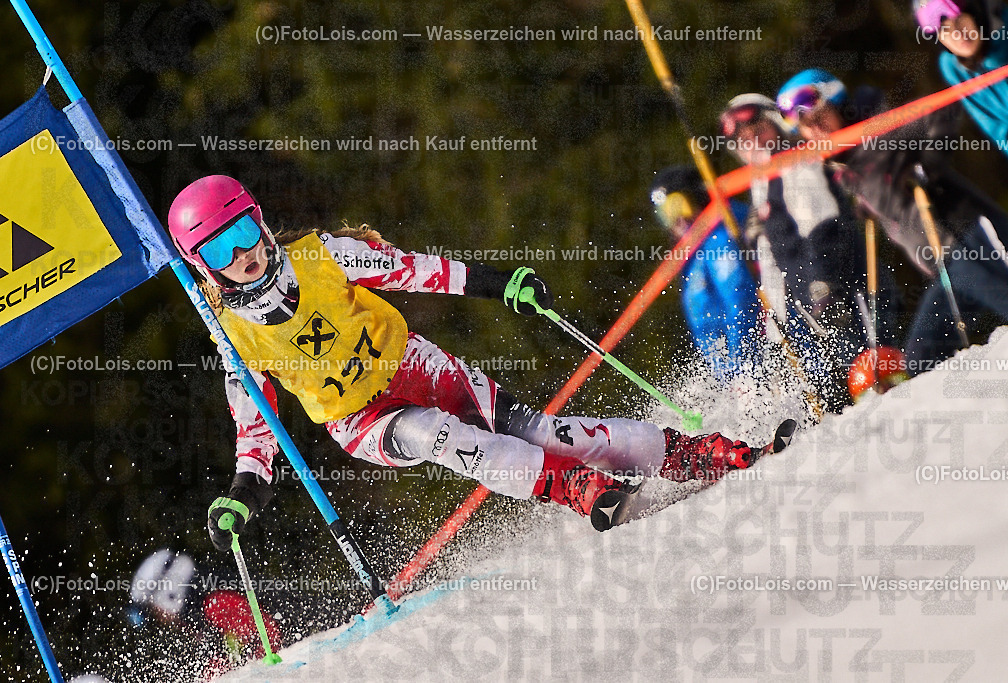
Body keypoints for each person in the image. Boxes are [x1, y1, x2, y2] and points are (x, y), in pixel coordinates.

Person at [166, 176, 760, 538]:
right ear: (203, 264)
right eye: (220, 248)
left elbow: (417, 272)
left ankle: (688, 453)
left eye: (243, 232)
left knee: (541, 429)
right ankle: (571, 488)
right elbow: (256, 430)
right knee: (438, 438)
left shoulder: (323, 256)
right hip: (361, 420)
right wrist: (245, 492)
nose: (242, 254)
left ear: (260, 221)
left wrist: (500, 283)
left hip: (414, 364)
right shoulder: (234, 340)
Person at [777, 68, 1008, 374]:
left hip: (968, 236)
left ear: (838, 101)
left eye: (820, 118)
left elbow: (941, 109)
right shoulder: (847, 165)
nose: (816, 131)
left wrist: (927, 168)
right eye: (806, 127)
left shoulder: (878, 129)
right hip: (945, 267)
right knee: (920, 360)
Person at [719, 94, 870, 409]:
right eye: (743, 140)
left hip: (836, 295)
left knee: (864, 382)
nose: (753, 143)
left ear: (776, 125)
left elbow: (820, 225)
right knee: (828, 400)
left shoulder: (795, 161)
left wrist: (823, 287)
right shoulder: (762, 180)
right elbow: (772, 261)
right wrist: (776, 322)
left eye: (759, 131)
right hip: (801, 314)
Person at [648, 165, 761, 384]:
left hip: (755, 364)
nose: (675, 219)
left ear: (697, 197)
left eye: (678, 206)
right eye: (665, 214)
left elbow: (741, 301)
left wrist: (743, 372)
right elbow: (705, 324)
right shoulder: (691, 252)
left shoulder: (723, 236)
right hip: (730, 375)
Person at [125, 548, 283, 681]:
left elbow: (269, 640)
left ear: (170, 594)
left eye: (155, 609)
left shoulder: (215, 603)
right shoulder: (198, 618)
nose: (158, 617)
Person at [913, 0, 1008, 177]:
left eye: (959, 20)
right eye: (945, 31)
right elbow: (1001, 132)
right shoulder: (954, 68)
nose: (958, 35)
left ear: (975, 12)